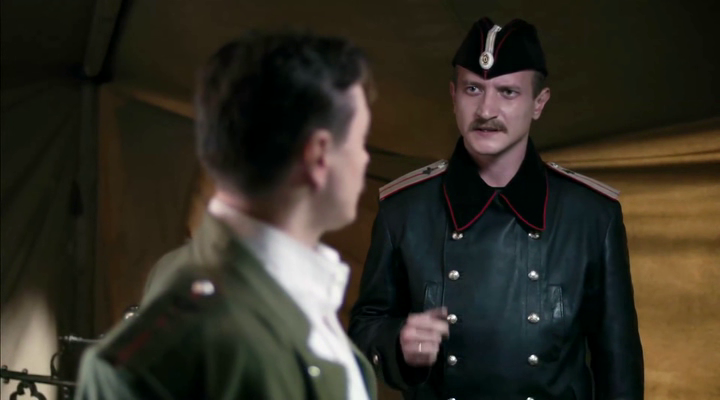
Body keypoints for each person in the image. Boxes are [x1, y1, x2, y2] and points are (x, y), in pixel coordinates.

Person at [348, 17, 644, 400]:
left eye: (507, 92)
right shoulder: (404, 209)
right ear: (453, 95)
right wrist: (396, 342)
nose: (486, 109)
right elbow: (365, 328)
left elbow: (618, 366)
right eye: (473, 89)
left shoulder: (591, 214)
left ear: (539, 103)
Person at [75, 30, 378, 400]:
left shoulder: (306, 297)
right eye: (361, 142)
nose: (365, 159)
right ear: (318, 156)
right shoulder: (158, 362)